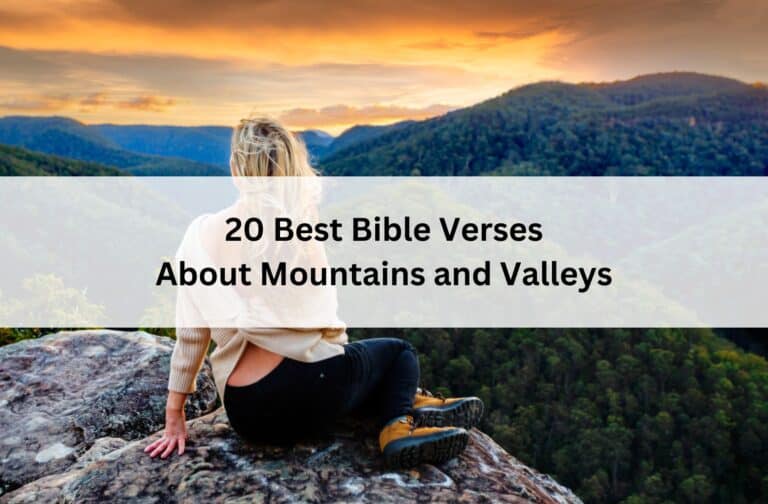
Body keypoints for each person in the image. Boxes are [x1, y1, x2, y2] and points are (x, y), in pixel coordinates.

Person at [144, 117, 484, 468]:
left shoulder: (198, 238)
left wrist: (175, 415)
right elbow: (330, 333)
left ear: (235, 169)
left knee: (353, 373)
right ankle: (397, 427)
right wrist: (345, 368)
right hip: (310, 395)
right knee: (398, 354)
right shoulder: (298, 237)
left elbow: (191, 334)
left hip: (248, 413)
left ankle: (408, 399)